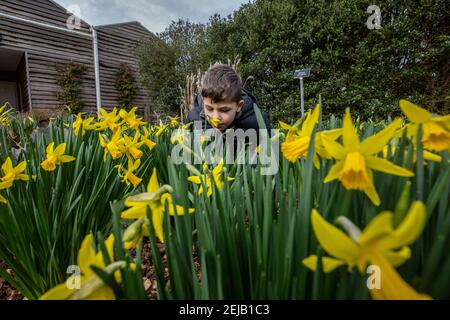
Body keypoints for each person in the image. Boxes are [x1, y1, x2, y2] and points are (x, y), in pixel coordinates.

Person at [186, 64, 271, 133]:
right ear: (203, 101)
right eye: (209, 108)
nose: (216, 118)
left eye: (224, 110)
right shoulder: (193, 118)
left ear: (239, 106)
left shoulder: (259, 123)